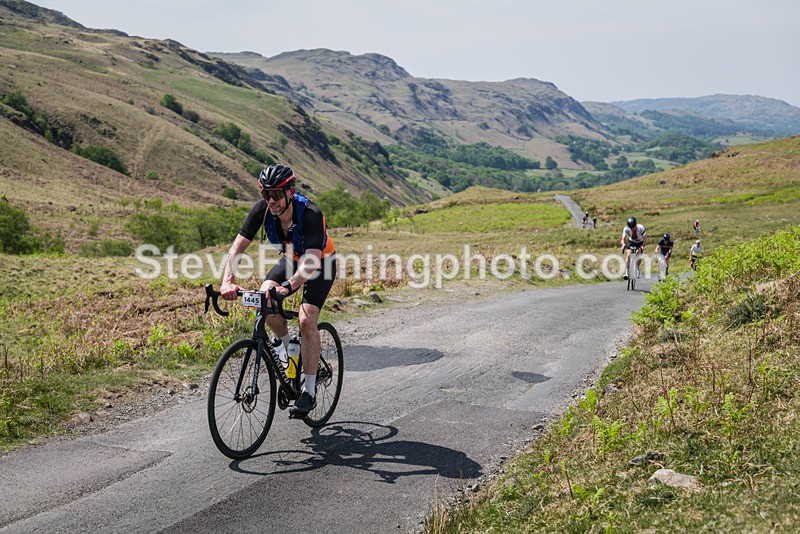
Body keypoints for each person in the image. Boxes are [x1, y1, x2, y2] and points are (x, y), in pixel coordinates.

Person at [220, 164, 336, 417]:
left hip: (320, 264)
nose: (270, 200)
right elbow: (237, 248)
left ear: (290, 193)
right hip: (291, 259)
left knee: (306, 320)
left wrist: (287, 287)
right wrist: (227, 281)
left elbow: (311, 263)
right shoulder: (262, 210)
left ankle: (309, 391)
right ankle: (286, 351)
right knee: (265, 299)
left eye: (276, 194)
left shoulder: (311, 214)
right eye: (265, 195)